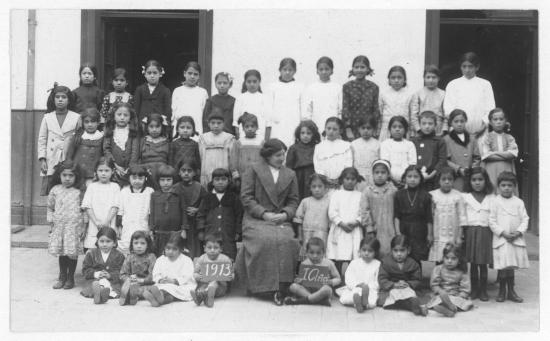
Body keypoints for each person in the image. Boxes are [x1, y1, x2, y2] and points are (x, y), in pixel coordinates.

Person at [238, 138, 300, 305]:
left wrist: (286, 214)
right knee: (266, 240)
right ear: (267, 156)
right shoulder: (253, 170)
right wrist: (263, 213)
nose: (282, 158)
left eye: (283, 155)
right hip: (256, 219)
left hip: (280, 219)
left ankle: (283, 286)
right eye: (277, 155)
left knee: (287, 240)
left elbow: (294, 200)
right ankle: (263, 288)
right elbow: (246, 197)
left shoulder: (290, 174)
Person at [489, 171, 529, 303]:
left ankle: (511, 291)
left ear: (514, 187)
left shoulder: (519, 202)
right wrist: (503, 233)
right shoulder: (495, 202)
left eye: (510, 185)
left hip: (515, 239)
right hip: (502, 239)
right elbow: (492, 221)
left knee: (511, 266)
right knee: (502, 266)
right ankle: (501, 291)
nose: (506, 188)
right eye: (503, 185)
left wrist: (518, 232)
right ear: (498, 187)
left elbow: (525, 219)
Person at [47, 160, 85, 290]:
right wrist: (51, 223)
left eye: (71, 176)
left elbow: (84, 210)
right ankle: (62, 277)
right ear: (59, 175)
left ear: (76, 177)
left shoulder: (79, 192)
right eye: (64, 175)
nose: (67, 178)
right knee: (62, 253)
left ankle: (70, 278)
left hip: (73, 228)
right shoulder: (55, 190)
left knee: (72, 253)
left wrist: (83, 227)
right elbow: (50, 208)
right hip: (60, 227)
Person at [37, 83, 80, 195]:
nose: (60, 100)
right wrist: (42, 159)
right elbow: (42, 139)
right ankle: (52, 211)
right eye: (57, 97)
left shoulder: (76, 117)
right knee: (52, 190)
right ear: (53, 99)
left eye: (64, 97)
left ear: (69, 100)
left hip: (68, 157)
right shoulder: (47, 117)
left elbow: (78, 139)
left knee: (68, 188)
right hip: (52, 158)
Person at [443, 52, 495, 141]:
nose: (467, 70)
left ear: (477, 67)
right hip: (458, 131)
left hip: (480, 132)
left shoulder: (485, 84)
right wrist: (461, 127)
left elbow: (490, 108)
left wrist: (482, 127)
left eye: (470, 66)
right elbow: (448, 110)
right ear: (460, 67)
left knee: (479, 153)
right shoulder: (453, 84)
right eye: (464, 66)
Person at [462, 167, 495, 301]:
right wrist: (463, 232)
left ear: (485, 181)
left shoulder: (491, 198)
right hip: (471, 232)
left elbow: (494, 215)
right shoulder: (465, 197)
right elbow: (463, 215)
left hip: (486, 232)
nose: (477, 183)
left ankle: (483, 289)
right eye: (474, 180)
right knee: (474, 263)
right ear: (469, 182)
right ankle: (474, 289)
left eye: (480, 179)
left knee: (483, 263)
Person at [196, 168, 243, 261]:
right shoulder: (207, 197)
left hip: (228, 233)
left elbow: (239, 215)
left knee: (229, 256)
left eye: (223, 179)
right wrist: (201, 230)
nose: (220, 182)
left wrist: (238, 231)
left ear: (228, 181)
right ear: (212, 182)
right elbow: (201, 215)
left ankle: (228, 274)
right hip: (210, 232)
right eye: (217, 180)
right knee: (211, 255)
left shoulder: (233, 197)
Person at [326, 167, 364, 277]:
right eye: (347, 178)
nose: (350, 181)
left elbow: (363, 211)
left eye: (353, 179)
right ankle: (338, 279)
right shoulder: (336, 194)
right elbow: (332, 212)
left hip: (354, 230)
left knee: (353, 254)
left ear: (357, 180)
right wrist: (341, 223)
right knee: (339, 254)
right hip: (340, 229)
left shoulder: (360, 195)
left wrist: (357, 222)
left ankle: (351, 280)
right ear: (342, 179)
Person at [377, 235, 428, 316]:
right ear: (391, 251)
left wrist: (408, 284)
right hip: (391, 288)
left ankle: (413, 304)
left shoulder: (413, 264)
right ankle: (409, 306)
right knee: (391, 297)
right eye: (395, 251)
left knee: (410, 294)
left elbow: (417, 279)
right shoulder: (386, 262)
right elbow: (382, 279)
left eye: (402, 250)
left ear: (408, 250)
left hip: (406, 288)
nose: (399, 254)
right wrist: (393, 284)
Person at [143, 233, 196, 307]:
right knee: (166, 291)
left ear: (181, 250)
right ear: (164, 248)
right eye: (168, 248)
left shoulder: (186, 260)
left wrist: (174, 281)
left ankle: (159, 297)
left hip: (181, 286)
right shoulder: (160, 260)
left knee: (170, 289)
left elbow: (187, 276)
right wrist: (160, 280)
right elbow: (156, 274)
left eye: (174, 249)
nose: (170, 251)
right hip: (164, 284)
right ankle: (159, 299)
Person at [284, 237, 341, 306]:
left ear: (323, 253)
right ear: (306, 252)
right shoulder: (304, 263)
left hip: (322, 290)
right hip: (307, 291)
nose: (315, 256)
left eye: (318, 253)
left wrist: (331, 282)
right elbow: (302, 280)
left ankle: (299, 301)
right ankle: (319, 301)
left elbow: (338, 279)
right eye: (311, 252)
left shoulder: (329, 263)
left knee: (327, 289)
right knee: (293, 286)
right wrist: (299, 281)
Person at [394, 165, 432, 266]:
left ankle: (417, 278)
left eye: (416, 177)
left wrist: (430, 234)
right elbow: (396, 216)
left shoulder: (425, 196)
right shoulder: (399, 194)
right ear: (405, 178)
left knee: (416, 256)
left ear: (420, 178)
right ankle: (404, 278)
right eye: (409, 176)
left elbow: (429, 218)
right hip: (404, 228)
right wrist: (398, 232)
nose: (412, 179)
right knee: (403, 254)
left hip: (419, 229)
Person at [81, 157, 121, 251]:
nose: (103, 173)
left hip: (109, 222)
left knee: (108, 246)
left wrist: (106, 222)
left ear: (112, 171)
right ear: (96, 172)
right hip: (94, 224)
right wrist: (96, 222)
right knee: (93, 249)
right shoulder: (92, 186)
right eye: (100, 170)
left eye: (107, 170)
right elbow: (87, 206)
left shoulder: (115, 187)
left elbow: (115, 206)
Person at [428, 167, 467, 262]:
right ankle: (438, 275)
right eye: (443, 179)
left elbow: (462, 217)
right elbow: (429, 217)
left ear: (454, 181)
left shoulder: (458, 196)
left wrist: (459, 236)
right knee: (439, 258)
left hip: (453, 232)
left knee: (452, 256)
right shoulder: (433, 195)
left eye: (450, 179)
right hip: (438, 231)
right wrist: (430, 234)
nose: (447, 182)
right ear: (438, 181)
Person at [360, 160, 398, 256]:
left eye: (383, 172)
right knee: (374, 251)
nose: (380, 175)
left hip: (390, 227)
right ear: (372, 174)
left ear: (388, 174)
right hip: (374, 228)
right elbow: (364, 210)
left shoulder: (393, 190)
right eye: (377, 172)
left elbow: (398, 210)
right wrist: (369, 228)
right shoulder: (367, 191)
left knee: (389, 250)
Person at [172, 159, 208, 259]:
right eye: (183, 171)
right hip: (179, 225)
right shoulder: (175, 188)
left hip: (195, 225)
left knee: (195, 250)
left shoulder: (199, 187)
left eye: (189, 171)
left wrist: (197, 210)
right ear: (179, 172)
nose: (186, 173)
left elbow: (207, 204)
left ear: (195, 172)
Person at [80, 227, 125, 304]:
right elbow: (85, 270)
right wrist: (96, 274)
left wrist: (110, 275)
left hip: (112, 281)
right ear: (97, 242)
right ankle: (99, 293)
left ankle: (103, 294)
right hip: (95, 280)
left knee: (114, 288)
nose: (104, 244)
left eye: (108, 241)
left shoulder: (119, 255)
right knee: (95, 286)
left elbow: (122, 271)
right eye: (101, 241)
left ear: (114, 242)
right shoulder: (91, 253)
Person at [427, 242, 473, 317]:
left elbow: (465, 289)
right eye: (447, 258)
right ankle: (449, 310)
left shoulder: (462, 272)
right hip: (442, 294)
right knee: (438, 300)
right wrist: (440, 291)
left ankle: (451, 307)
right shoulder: (438, 269)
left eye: (453, 258)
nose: (449, 261)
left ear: (459, 260)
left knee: (460, 302)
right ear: (443, 258)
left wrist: (460, 296)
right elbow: (434, 285)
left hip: (456, 295)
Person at [149, 165, 186, 257]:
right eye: (162, 180)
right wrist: (151, 229)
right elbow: (152, 213)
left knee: (174, 253)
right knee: (160, 255)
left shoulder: (178, 195)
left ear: (173, 180)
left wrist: (184, 229)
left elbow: (183, 212)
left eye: (168, 180)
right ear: (158, 181)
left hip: (175, 232)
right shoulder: (154, 195)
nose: (165, 183)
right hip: (159, 233)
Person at [266, 58, 304, 146]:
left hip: (294, 123)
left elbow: (302, 108)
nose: (287, 72)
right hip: (278, 125)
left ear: (295, 71)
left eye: (290, 70)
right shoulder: (272, 87)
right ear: (280, 70)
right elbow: (268, 109)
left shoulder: (300, 87)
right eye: (285, 69)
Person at [117, 165, 154, 255]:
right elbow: (120, 211)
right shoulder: (124, 191)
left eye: (140, 178)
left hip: (143, 224)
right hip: (127, 225)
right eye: (134, 178)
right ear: (129, 178)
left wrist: (151, 229)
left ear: (145, 178)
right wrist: (118, 227)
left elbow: (151, 212)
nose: (137, 181)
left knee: (141, 245)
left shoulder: (149, 191)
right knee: (126, 246)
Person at [191, 233, 235, 308]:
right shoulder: (202, 259)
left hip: (220, 287)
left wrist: (224, 276)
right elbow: (195, 273)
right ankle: (202, 298)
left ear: (221, 249)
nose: (212, 250)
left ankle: (206, 296)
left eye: (216, 248)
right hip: (204, 284)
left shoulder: (225, 259)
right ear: (204, 248)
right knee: (201, 288)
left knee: (214, 283)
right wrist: (199, 276)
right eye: (209, 247)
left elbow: (232, 275)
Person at [337, 237, 381, 313]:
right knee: (345, 299)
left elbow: (378, 280)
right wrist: (357, 285)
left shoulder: (377, 264)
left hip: (370, 290)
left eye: (370, 251)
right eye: (364, 250)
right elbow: (349, 277)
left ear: (376, 252)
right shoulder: (354, 263)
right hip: (355, 288)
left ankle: (363, 301)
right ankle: (360, 302)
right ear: (360, 250)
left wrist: (368, 287)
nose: (366, 253)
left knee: (372, 302)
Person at [293, 174, 331, 260]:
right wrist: (300, 235)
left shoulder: (329, 202)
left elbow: (330, 221)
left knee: (320, 255)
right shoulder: (305, 201)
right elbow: (299, 219)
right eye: (314, 187)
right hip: (307, 234)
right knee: (307, 254)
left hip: (322, 234)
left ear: (326, 188)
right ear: (310, 188)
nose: (317, 189)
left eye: (320, 186)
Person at [342, 55, 380, 140]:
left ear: (368, 69)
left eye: (362, 67)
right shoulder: (347, 87)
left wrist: (374, 128)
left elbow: (376, 109)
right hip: (352, 128)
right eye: (356, 67)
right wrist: (348, 129)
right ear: (353, 69)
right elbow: (345, 109)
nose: (359, 70)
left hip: (368, 127)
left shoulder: (374, 87)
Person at [102, 102, 140, 187]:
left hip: (129, 170)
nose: (122, 118)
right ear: (114, 116)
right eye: (119, 115)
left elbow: (135, 152)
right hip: (113, 169)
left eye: (126, 115)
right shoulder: (110, 131)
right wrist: (115, 166)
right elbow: (106, 150)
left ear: (130, 117)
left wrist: (130, 168)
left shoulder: (133, 132)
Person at [481, 108, 518, 194]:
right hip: (491, 169)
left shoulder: (509, 138)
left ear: (505, 121)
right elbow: (486, 156)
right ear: (490, 122)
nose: (498, 122)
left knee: (506, 189)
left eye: (501, 119)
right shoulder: (487, 137)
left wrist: (494, 152)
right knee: (492, 190)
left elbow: (512, 154)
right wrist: (505, 155)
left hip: (507, 168)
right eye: (495, 119)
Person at [443, 109, 481, 191]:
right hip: (455, 177)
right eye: (456, 121)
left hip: (470, 176)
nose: (459, 124)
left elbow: (477, 157)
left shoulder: (472, 138)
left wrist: (472, 169)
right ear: (451, 123)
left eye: (462, 121)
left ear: (465, 121)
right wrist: (458, 169)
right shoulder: (446, 140)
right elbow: (445, 160)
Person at [65, 107, 104, 188]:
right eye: (86, 122)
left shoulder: (101, 138)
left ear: (98, 122)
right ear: (82, 123)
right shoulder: (78, 137)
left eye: (93, 121)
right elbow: (69, 156)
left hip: (93, 175)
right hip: (78, 173)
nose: (90, 124)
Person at [198, 110, 238, 187]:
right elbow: (201, 156)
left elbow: (232, 158)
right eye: (213, 123)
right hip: (207, 169)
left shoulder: (229, 138)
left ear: (223, 124)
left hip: (223, 168)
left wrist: (234, 173)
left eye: (219, 123)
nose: (216, 126)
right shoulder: (203, 138)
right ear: (208, 124)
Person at [302, 56, 342, 130]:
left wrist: (338, 125)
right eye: (321, 69)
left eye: (327, 69)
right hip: (315, 125)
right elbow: (307, 110)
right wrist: (310, 126)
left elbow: (340, 109)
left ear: (332, 71)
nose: (324, 72)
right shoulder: (311, 88)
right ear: (317, 71)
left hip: (333, 127)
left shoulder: (338, 88)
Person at [411, 111, 447, 190]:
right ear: (419, 125)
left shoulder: (439, 141)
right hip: (417, 178)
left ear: (435, 125)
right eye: (424, 124)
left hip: (434, 178)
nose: (427, 126)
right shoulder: (414, 141)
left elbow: (442, 160)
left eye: (430, 124)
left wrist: (431, 175)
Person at [313, 117, 353, 189]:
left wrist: (341, 178)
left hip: (341, 182)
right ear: (325, 129)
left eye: (335, 129)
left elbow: (348, 163)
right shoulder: (319, 147)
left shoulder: (346, 146)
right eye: (329, 128)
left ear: (340, 131)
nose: (331, 131)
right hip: (324, 182)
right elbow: (317, 165)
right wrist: (325, 178)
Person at [119, 231, 157, 306]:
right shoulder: (129, 257)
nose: (139, 246)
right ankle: (130, 295)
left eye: (142, 243)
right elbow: (122, 274)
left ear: (148, 245)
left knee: (150, 290)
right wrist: (129, 279)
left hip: (145, 283)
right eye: (136, 243)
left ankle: (132, 295)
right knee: (126, 286)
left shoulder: (151, 257)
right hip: (131, 282)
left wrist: (141, 280)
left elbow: (153, 275)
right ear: (132, 244)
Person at [378, 66, 415, 141]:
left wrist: (412, 133)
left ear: (404, 80)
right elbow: (380, 113)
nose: (396, 80)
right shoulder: (383, 94)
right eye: (393, 78)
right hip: (387, 130)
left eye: (399, 77)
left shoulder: (410, 94)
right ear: (389, 80)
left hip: (403, 130)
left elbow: (412, 114)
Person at [171, 61, 209, 136]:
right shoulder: (177, 91)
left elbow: (205, 114)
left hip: (197, 128)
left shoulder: (203, 92)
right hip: (180, 129)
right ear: (184, 73)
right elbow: (173, 112)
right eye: (190, 73)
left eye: (195, 74)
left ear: (199, 76)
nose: (192, 76)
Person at [286, 120, 320, 200]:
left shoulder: (317, 147)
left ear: (313, 135)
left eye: (309, 133)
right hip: (298, 177)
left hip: (312, 176)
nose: (305, 136)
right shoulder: (293, 148)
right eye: (303, 133)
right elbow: (289, 167)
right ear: (298, 134)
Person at [379, 116, 417, 187]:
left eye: (400, 127)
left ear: (405, 130)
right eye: (394, 127)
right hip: (389, 180)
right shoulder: (385, 144)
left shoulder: (410, 144)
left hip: (406, 181)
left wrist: (405, 179)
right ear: (389, 129)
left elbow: (412, 163)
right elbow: (385, 164)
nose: (397, 129)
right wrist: (391, 179)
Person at [233, 69, 270, 140]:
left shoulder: (265, 98)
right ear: (245, 82)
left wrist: (266, 141)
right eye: (249, 82)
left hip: (260, 137)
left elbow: (268, 123)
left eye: (255, 81)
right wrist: (238, 138)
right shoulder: (240, 98)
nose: (252, 84)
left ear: (259, 82)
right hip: (243, 137)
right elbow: (236, 121)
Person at [411, 65, 446, 136]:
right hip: (422, 128)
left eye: (434, 77)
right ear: (424, 78)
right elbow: (414, 115)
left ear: (438, 78)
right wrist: (418, 129)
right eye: (428, 77)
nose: (431, 80)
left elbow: (446, 114)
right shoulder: (418, 94)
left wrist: (444, 130)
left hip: (438, 130)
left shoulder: (443, 94)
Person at [133, 60, 172, 125]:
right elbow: (136, 110)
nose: (152, 76)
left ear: (160, 74)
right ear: (145, 74)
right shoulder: (140, 90)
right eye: (149, 73)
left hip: (159, 125)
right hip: (142, 124)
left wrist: (165, 123)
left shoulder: (165, 90)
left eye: (155, 73)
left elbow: (167, 111)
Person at [139, 113, 170, 190]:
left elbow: (170, 160)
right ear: (147, 127)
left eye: (157, 126)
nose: (154, 129)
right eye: (151, 126)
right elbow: (138, 158)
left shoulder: (166, 142)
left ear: (162, 127)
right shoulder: (143, 141)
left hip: (162, 173)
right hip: (146, 172)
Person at [234, 113, 264, 187]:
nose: (250, 129)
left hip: (258, 175)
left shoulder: (261, 142)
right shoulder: (239, 142)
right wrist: (235, 174)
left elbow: (264, 159)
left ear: (257, 127)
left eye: (252, 126)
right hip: (242, 176)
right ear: (243, 128)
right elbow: (234, 159)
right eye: (247, 126)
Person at [351, 116, 380, 189]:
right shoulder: (354, 144)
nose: (366, 130)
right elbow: (351, 161)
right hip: (358, 177)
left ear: (373, 129)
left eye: (369, 128)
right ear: (358, 129)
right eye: (363, 128)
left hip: (373, 177)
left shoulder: (378, 144)